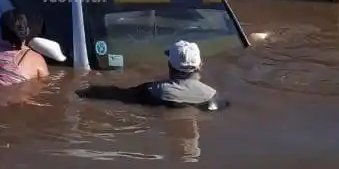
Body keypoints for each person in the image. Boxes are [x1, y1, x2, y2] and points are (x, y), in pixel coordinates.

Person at [76, 39, 228, 111]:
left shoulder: (152, 91)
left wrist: (84, 89)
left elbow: (115, 94)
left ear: (170, 65)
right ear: (200, 65)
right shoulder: (216, 98)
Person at [0, 9, 48, 89]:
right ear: (27, 31)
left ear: (1, 31)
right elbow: (45, 83)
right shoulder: (36, 59)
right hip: (13, 98)